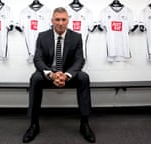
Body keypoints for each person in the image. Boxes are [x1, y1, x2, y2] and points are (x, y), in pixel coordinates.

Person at [22, 7, 96, 143]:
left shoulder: (76, 37)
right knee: (35, 78)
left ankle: (84, 124)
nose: (60, 23)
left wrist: (66, 75)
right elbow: (37, 59)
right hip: (49, 75)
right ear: (52, 21)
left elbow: (80, 59)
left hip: (68, 75)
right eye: (57, 19)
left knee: (84, 77)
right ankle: (33, 124)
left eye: (63, 20)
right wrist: (51, 75)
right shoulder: (42, 36)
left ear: (68, 21)